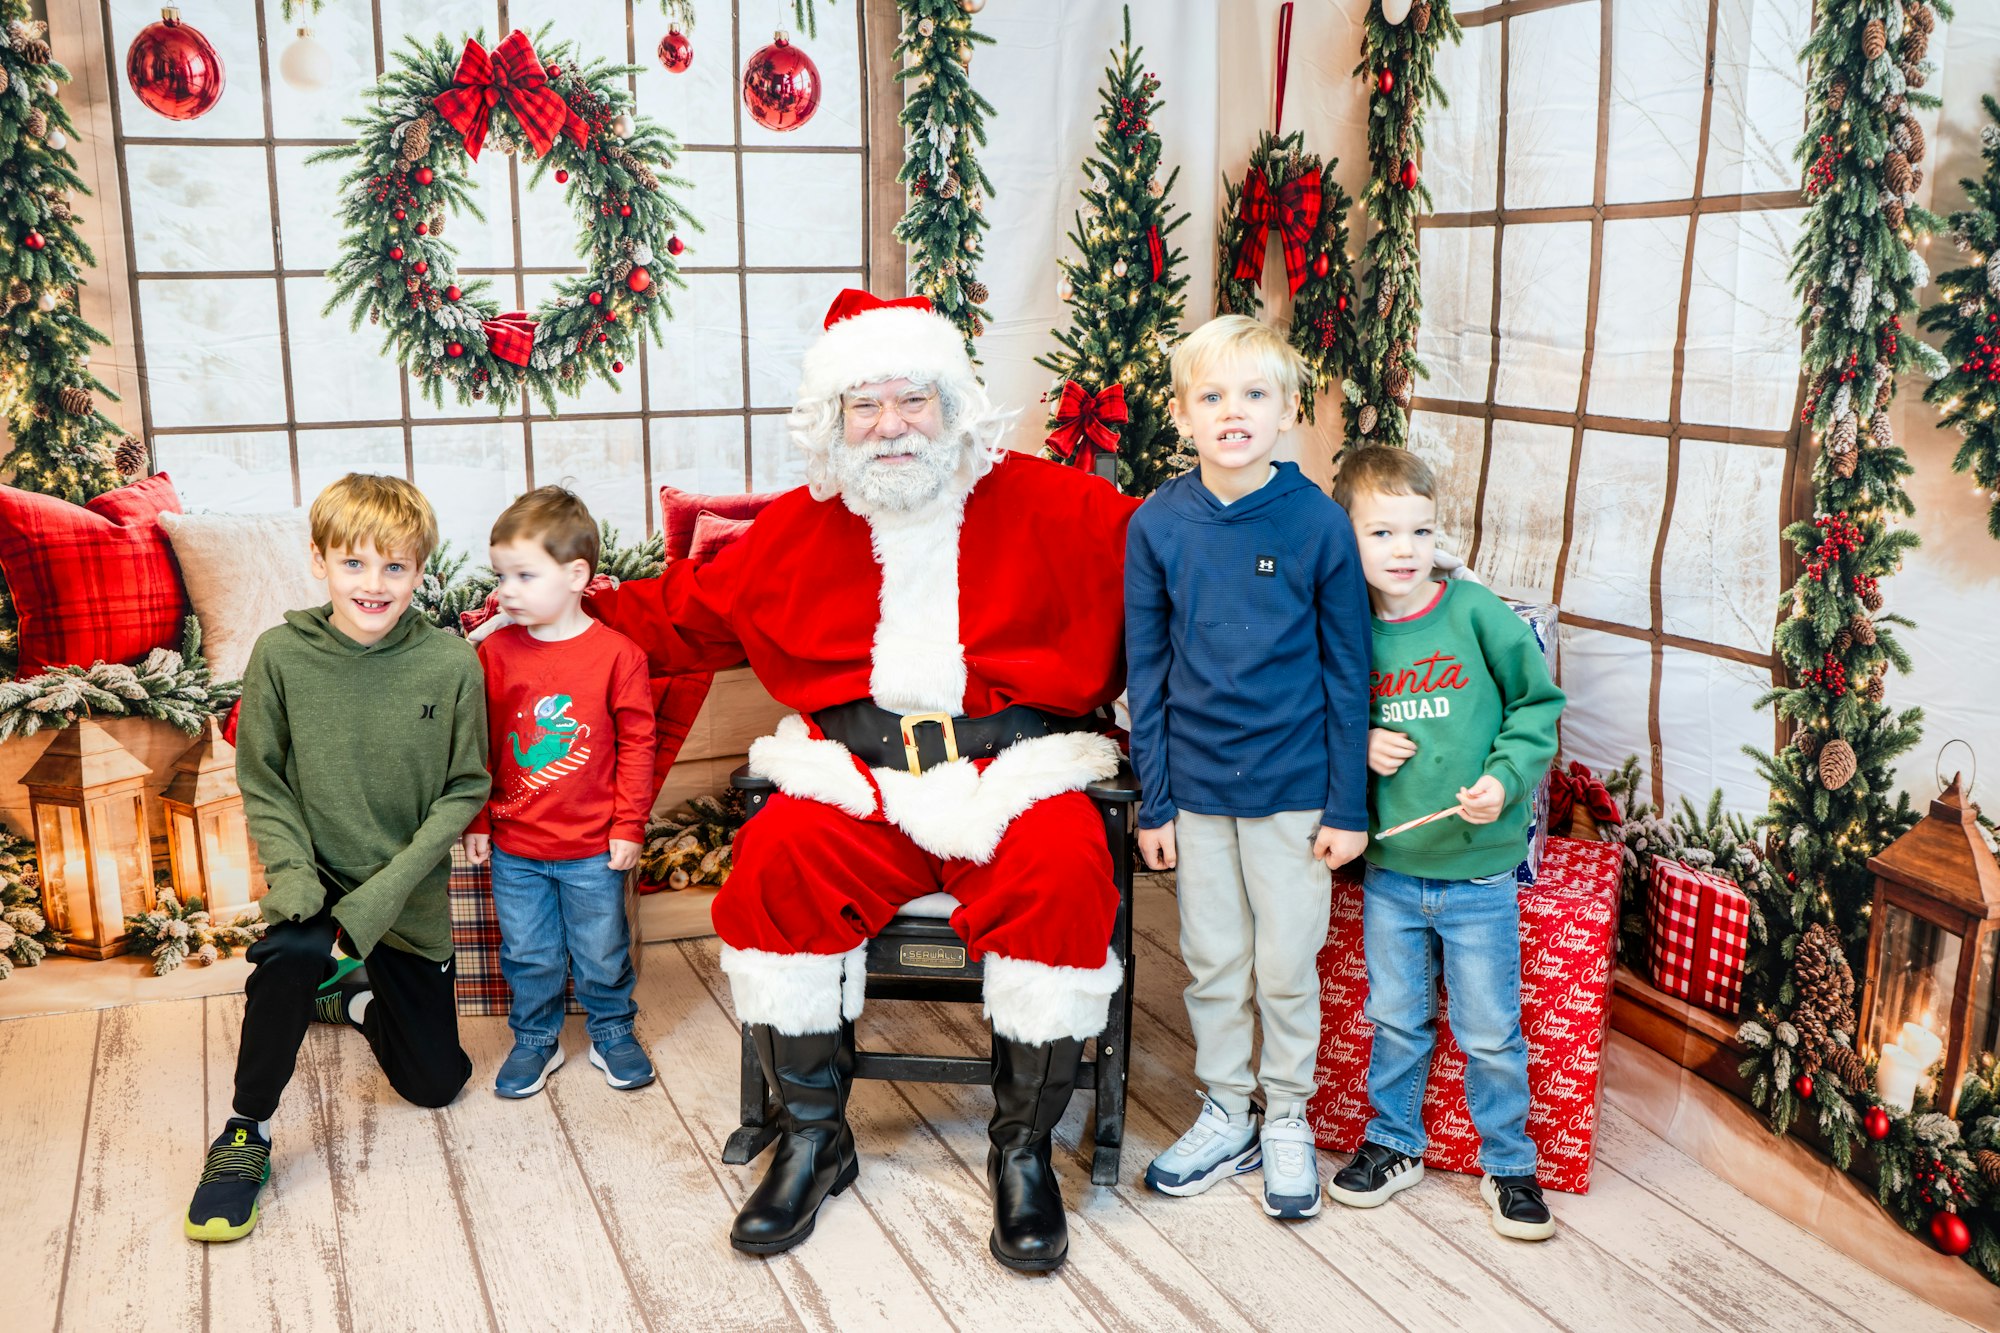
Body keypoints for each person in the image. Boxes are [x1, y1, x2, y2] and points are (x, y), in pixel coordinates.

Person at [476, 289, 1140, 1271]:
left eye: (909, 399)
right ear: (833, 421)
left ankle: (1022, 1149)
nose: (888, 426)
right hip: (857, 780)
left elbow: (1185, 584)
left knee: (1063, 875)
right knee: (775, 866)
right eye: (861, 406)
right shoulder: (799, 527)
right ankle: (814, 1138)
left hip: (1018, 771)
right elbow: (674, 615)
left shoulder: (1068, 508)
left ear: (952, 402)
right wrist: (548, 609)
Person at [185, 474, 489, 1242]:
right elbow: (264, 779)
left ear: (420, 571)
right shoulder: (282, 655)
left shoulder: (450, 664)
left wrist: (374, 909)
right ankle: (244, 1133)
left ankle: (350, 999)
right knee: (288, 953)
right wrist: (295, 881)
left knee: (435, 1085)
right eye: (354, 563)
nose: (374, 584)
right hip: (314, 878)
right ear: (319, 560)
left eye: (395, 567)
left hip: (405, 892)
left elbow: (463, 790)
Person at [1124, 315, 1371, 1219]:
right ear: (1184, 414)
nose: (1235, 412)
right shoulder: (1157, 524)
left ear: (1285, 410)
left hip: (1295, 795)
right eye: (1213, 396)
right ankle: (1228, 1108)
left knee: (1286, 963)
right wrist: (1157, 804)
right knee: (1213, 960)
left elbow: (1349, 674)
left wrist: (1349, 805)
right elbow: (1144, 676)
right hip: (1195, 792)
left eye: (1255, 395)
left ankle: (1288, 1116)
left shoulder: (1317, 524)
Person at [1324, 446, 1565, 1242]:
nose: (1404, 549)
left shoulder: (1474, 613)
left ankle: (1510, 1161)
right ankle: (1395, 1144)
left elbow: (1536, 705)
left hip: (1478, 873)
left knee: (1491, 1027)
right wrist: (1359, 739)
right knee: (1396, 1017)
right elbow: (1314, 712)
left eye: (1420, 530)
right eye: (1382, 532)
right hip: (1390, 871)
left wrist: (1505, 778)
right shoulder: (1346, 627)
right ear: (1345, 537)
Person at [461, 486, 657, 1098]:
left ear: (577, 574)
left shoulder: (617, 657)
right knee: (529, 953)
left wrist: (629, 826)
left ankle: (612, 1030)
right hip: (517, 848)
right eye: (500, 575)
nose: (505, 591)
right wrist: (478, 822)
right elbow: (481, 748)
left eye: (523, 575)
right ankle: (536, 1039)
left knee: (602, 950)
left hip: (593, 849)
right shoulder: (493, 653)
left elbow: (637, 746)